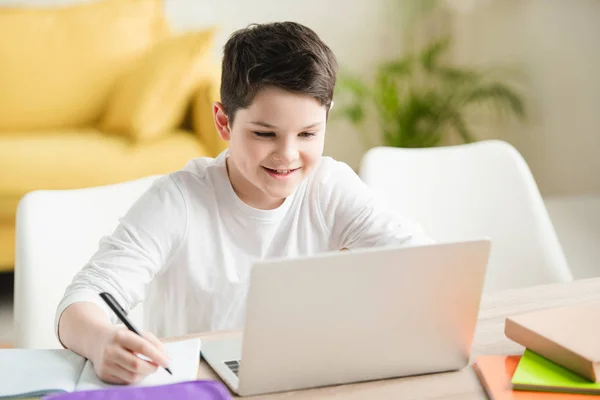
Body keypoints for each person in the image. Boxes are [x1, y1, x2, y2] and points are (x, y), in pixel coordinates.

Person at [55, 21, 433, 385]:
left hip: (300, 379)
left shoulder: (329, 187)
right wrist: (100, 341)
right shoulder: (180, 201)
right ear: (224, 123)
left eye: (308, 133)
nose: (288, 154)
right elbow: (81, 301)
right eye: (265, 133)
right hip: (195, 382)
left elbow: (426, 264)